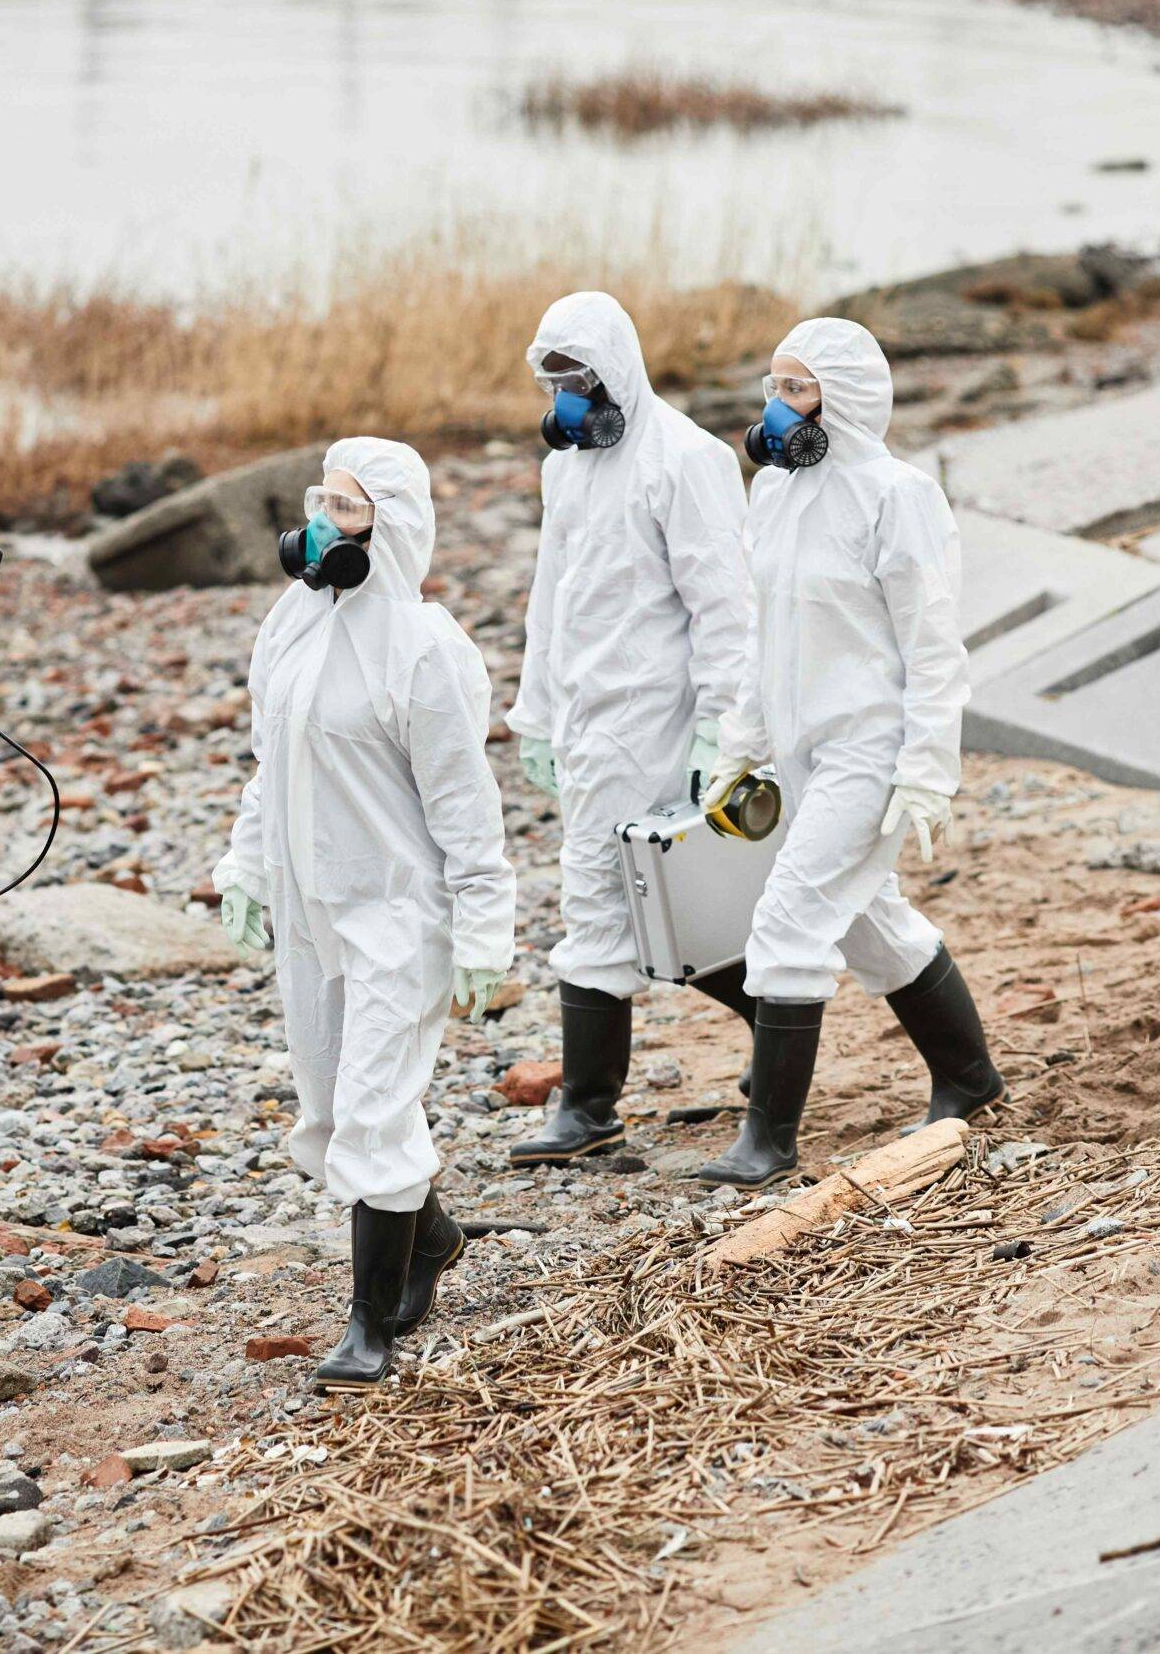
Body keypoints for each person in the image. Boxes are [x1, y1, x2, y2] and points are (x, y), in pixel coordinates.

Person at [215, 438, 516, 1392]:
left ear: (391, 526)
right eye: (318, 502)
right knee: (331, 1110)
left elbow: (467, 807)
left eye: (345, 510)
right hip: (314, 908)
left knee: (377, 1114)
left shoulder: (428, 652)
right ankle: (430, 1239)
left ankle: (369, 1322)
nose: (319, 525)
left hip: (398, 912)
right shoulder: (293, 620)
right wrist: (245, 867)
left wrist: (482, 928)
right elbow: (275, 763)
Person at [698, 319, 1003, 1188]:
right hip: (801, 751)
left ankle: (770, 1141)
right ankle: (971, 1078)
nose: (774, 403)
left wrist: (926, 768)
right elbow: (768, 635)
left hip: (870, 749)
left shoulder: (898, 495)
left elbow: (933, 643)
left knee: (790, 921)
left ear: (846, 396)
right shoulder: (777, 494)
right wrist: (742, 745)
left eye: (795, 387)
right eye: (772, 383)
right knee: (870, 923)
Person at [505, 292, 755, 1167]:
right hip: (583, 717)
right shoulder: (566, 468)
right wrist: (533, 713)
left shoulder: (687, 459)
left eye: (581, 375)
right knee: (651, 903)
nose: (568, 393)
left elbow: (726, 606)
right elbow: (551, 598)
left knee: (621, 900)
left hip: (660, 715)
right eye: (555, 378)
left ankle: (587, 1104)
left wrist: (721, 733)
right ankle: (778, 1022)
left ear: (620, 366)